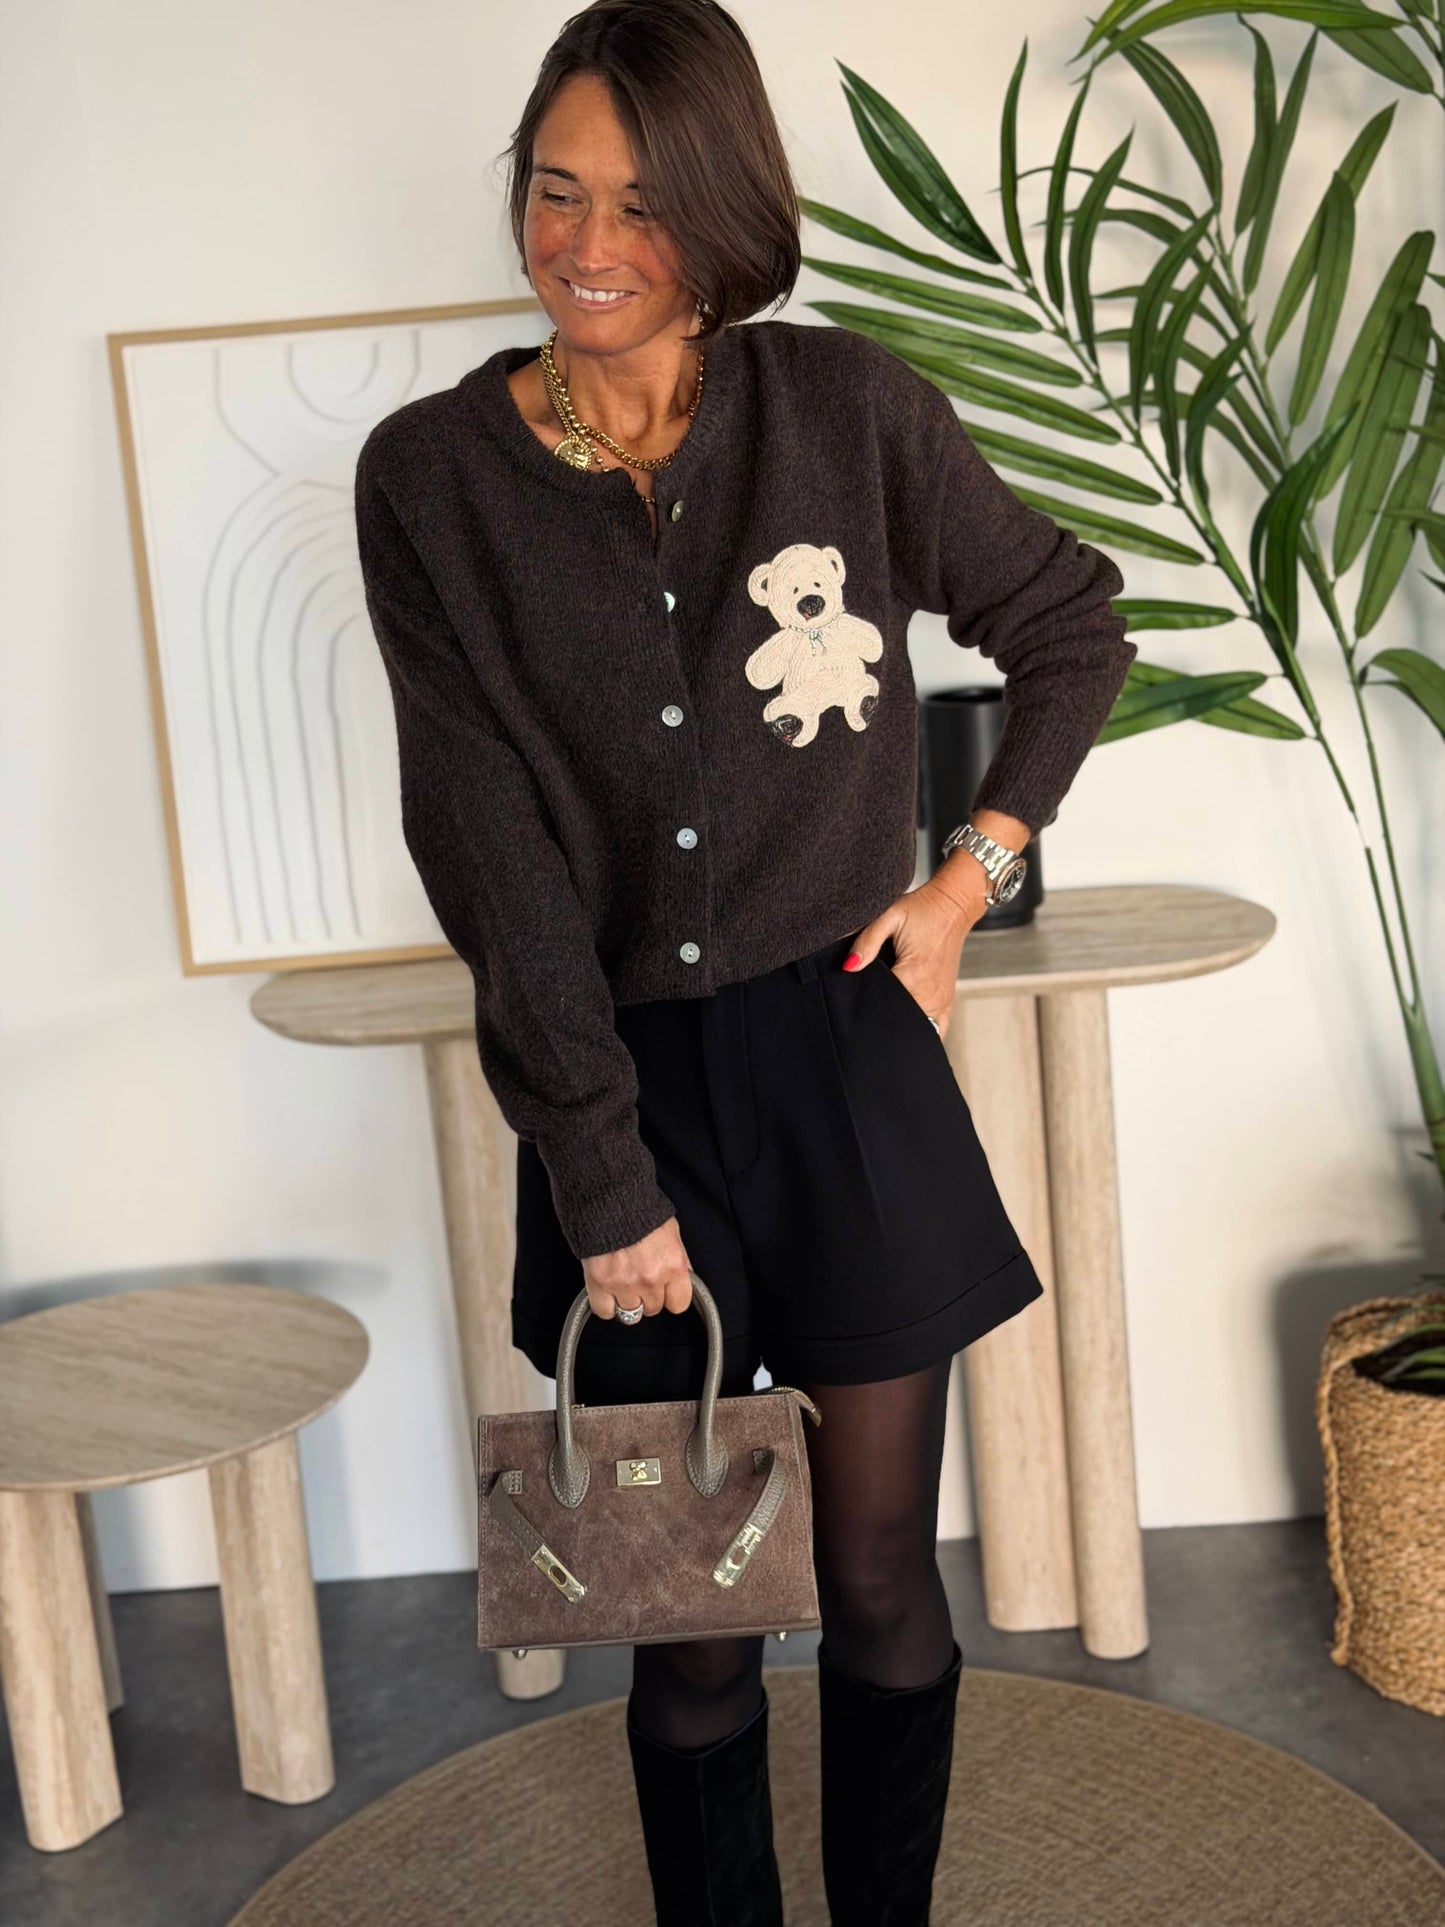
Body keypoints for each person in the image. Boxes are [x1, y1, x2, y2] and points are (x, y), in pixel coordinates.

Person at [354, 3, 1135, 1919]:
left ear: (723, 216)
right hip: (618, 1088)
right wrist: (600, 1176)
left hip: (847, 1060)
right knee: (689, 1622)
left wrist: (963, 878)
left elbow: (1069, 621)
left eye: (642, 203)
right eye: (556, 192)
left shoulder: (845, 412)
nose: (587, 244)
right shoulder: (430, 481)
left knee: (876, 1579)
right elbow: (486, 850)